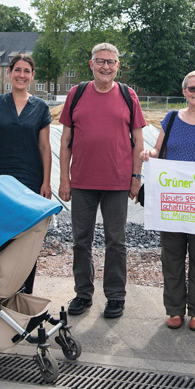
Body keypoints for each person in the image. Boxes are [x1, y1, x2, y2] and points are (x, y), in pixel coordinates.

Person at [59, 43, 146, 319]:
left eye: (111, 62)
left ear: (118, 66)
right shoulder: (77, 93)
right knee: (81, 241)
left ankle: (115, 296)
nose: (106, 67)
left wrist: (136, 177)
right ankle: (83, 293)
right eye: (100, 61)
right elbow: (65, 141)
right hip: (83, 181)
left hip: (117, 182)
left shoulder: (127, 95)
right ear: (91, 64)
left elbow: (138, 141)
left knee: (116, 242)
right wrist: (64, 177)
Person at [142, 71, 195, 331]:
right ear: (184, 91)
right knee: (172, 257)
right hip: (172, 202)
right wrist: (150, 153)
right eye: (192, 88)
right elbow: (160, 151)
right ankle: (175, 309)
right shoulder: (171, 119)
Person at [0, 53, 53, 295]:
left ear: (33, 76)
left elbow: (44, 146)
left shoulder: (40, 107)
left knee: (27, 241)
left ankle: (23, 292)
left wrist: (46, 182)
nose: (22, 75)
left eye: (27, 71)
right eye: (17, 70)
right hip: (0, 181)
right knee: (0, 238)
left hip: (30, 181)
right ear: (9, 73)